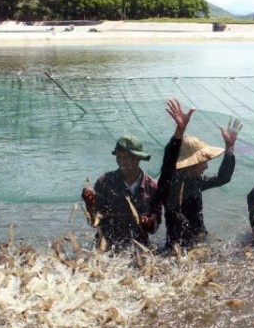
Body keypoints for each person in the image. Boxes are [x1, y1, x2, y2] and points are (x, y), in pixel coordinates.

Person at [82, 98, 194, 251]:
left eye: (127, 157)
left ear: (138, 159)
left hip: (138, 248)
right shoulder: (104, 182)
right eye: (119, 157)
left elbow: (154, 227)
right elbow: (95, 221)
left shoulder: (152, 187)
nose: (122, 162)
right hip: (107, 248)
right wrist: (90, 204)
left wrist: (149, 222)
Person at [163, 118, 243, 251]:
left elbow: (222, 178)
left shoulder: (195, 180)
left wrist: (229, 148)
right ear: (191, 163)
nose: (206, 166)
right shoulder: (172, 184)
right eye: (203, 161)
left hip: (199, 241)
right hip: (179, 247)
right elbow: (173, 213)